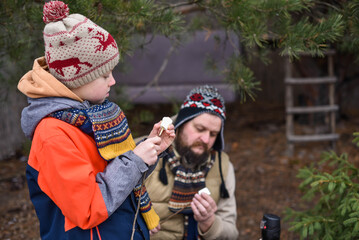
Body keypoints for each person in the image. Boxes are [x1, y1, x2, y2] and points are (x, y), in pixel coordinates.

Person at [17, 1, 174, 239]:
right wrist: (134, 161)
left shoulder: (91, 117)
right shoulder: (53, 134)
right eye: (104, 74)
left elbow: (116, 177)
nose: (112, 81)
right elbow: (88, 208)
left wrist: (148, 150)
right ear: (75, 76)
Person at [145, 85, 239, 239]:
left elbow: (232, 233)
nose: (206, 140)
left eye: (213, 134)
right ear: (182, 123)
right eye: (200, 129)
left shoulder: (222, 166)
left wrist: (209, 222)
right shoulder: (146, 150)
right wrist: (134, 227)